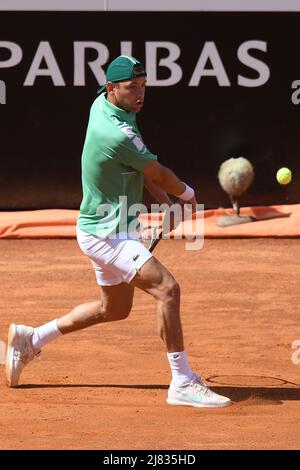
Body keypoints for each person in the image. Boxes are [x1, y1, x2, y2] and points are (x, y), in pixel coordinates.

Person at [5, 55, 231, 408]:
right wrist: (186, 196)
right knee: (168, 290)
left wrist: (166, 206)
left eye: (144, 86)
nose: (140, 94)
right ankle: (183, 381)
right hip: (106, 233)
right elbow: (157, 173)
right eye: (132, 88)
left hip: (113, 226)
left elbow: (139, 170)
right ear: (113, 88)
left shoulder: (106, 105)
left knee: (114, 309)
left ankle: (31, 338)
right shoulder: (117, 132)